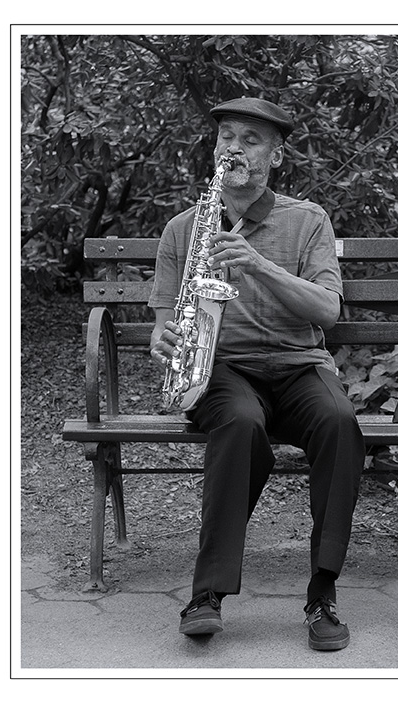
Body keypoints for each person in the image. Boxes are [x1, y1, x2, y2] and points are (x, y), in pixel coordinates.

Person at [148, 97, 365, 651]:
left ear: (276, 154)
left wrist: (257, 263)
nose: (234, 148)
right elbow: (163, 324)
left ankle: (323, 593)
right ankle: (208, 594)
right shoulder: (183, 229)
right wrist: (162, 339)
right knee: (241, 425)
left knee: (340, 422)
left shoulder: (307, 219)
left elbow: (327, 311)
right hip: (222, 368)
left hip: (298, 365)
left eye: (250, 139)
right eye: (226, 138)